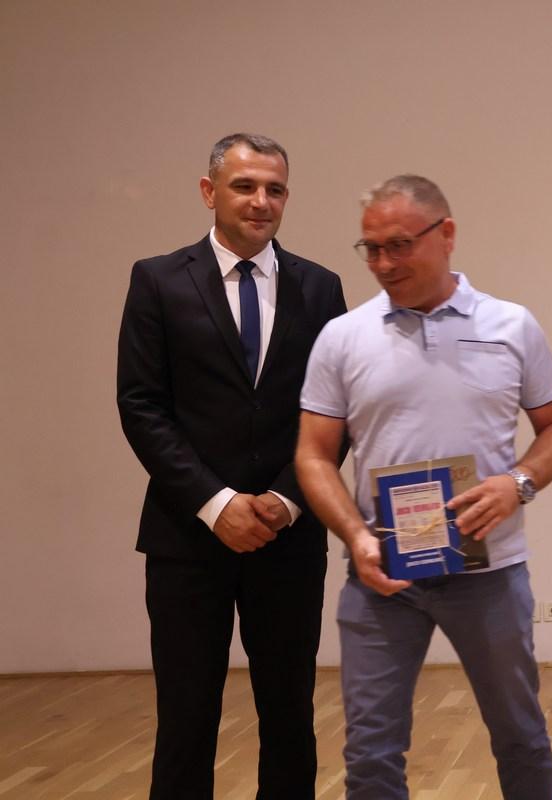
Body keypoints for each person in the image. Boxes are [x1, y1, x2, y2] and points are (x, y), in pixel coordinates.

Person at [294, 174, 552, 800]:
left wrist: (517, 484)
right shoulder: (343, 338)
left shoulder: (511, 325)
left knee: (521, 738)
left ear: (446, 234)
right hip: (381, 580)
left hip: (490, 575)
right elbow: (312, 455)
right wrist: (355, 536)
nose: (383, 263)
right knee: (370, 753)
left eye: (398, 245)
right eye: (371, 249)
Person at [117, 133, 347, 799]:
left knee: (289, 716)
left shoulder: (320, 287)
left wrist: (286, 500)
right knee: (186, 719)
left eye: (275, 189)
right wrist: (217, 504)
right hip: (188, 538)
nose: (260, 201)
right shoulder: (158, 280)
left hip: (287, 536)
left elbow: (338, 411)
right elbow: (141, 405)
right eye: (244, 186)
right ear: (208, 191)